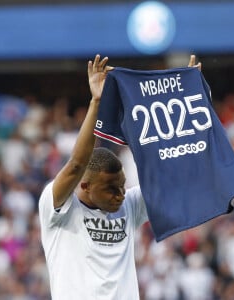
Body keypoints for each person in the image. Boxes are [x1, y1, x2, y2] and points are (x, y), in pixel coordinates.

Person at [38, 54, 200, 300]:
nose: (121, 195)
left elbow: (176, 169)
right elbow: (76, 164)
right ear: (85, 185)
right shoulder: (58, 209)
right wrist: (97, 103)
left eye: (122, 186)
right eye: (111, 189)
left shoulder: (129, 206)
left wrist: (187, 99)